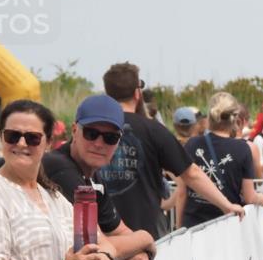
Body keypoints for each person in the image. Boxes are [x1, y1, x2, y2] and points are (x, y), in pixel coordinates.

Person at [0, 99, 112, 260]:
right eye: (12, 136)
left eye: (32, 138)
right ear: (1, 137)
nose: (21, 143)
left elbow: (100, 240)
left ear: (48, 143)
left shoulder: (53, 196)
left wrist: (104, 258)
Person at [97, 62, 244, 239]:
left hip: (102, 233)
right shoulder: (154, 130)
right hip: (146, 234)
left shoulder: (93, 131)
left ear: (108, 95)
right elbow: (192, 174)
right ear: (137, 93)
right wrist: (227, 205)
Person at [43, 94, 158, 260]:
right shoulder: (59, 168)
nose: (99, 143)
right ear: (74, 131)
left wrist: (140, 253)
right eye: (91, 133)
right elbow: (92, 243)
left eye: (110, 138)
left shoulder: (93, 177)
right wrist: (145, 238)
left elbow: (119, 232)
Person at [181, 92, 263, 229]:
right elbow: (249, 197)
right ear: (235, 119)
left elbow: (182, 192)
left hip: (193, 225)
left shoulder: (192, 144)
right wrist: (260, 197)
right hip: (226, 225)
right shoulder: (243, 148)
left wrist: (179, 228)